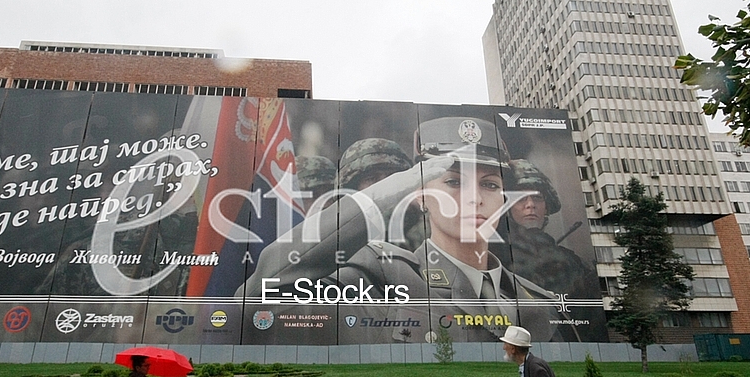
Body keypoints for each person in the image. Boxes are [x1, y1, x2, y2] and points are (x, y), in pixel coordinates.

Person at [242, 117, 575, 343]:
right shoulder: (381, 275)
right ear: (420, 196)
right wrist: (380, 197)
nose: (474, 198)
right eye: (454, 182)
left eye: (489, 184)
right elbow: (258, 304)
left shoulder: (539, 301)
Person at [503, 159, 598, 301]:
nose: (530, 205)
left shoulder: (575, 264)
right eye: (521, 199)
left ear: (546, 207)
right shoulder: (497, 257)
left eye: (537, 198)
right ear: (508, 208)